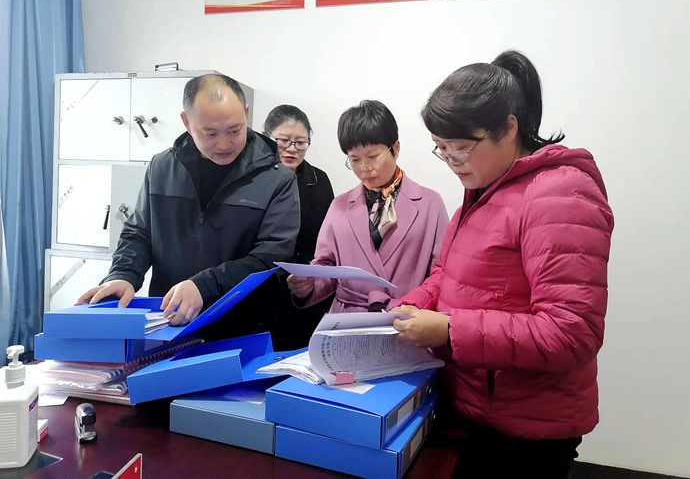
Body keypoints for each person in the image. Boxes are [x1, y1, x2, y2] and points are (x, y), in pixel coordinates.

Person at [390, 51, 615, 478]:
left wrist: (449, 329)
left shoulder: (559, 193)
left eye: (461, 148)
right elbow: (449, 274)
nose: (452, 162)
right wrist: (414, 303)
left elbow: (572, 332)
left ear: (509, 128)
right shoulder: (484, 189)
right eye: (442, 149)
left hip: (527, 429)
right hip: (472, 406)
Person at [77, 74, 300, 336]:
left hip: (242, 327)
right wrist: (122, 275)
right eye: (210, 133)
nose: (224, 144)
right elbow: (139, 234)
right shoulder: (162, 168)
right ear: (186, 122)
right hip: (167, 322)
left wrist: (205, 286)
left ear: (246, 114)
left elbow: (269, 258)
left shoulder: (276, 179)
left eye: (234, 130)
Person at [288, 100, 449, 313]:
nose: (364, 168)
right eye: (354, 160)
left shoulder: (430, 203)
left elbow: (442, 271)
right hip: (348, 320)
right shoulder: (339, 206)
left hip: (405, 316)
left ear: (396, 149)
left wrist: (414, 305)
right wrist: (308, 285)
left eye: (373, 157)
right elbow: (325, 268)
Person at [262, 105, 335, 350]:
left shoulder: (318, 180)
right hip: (260, 293)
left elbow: (328, 242)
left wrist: (314, 281)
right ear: (265, 136)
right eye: (283, 141)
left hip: (303, 294)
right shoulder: (253, 178)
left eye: (301, 142)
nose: (292, 149)